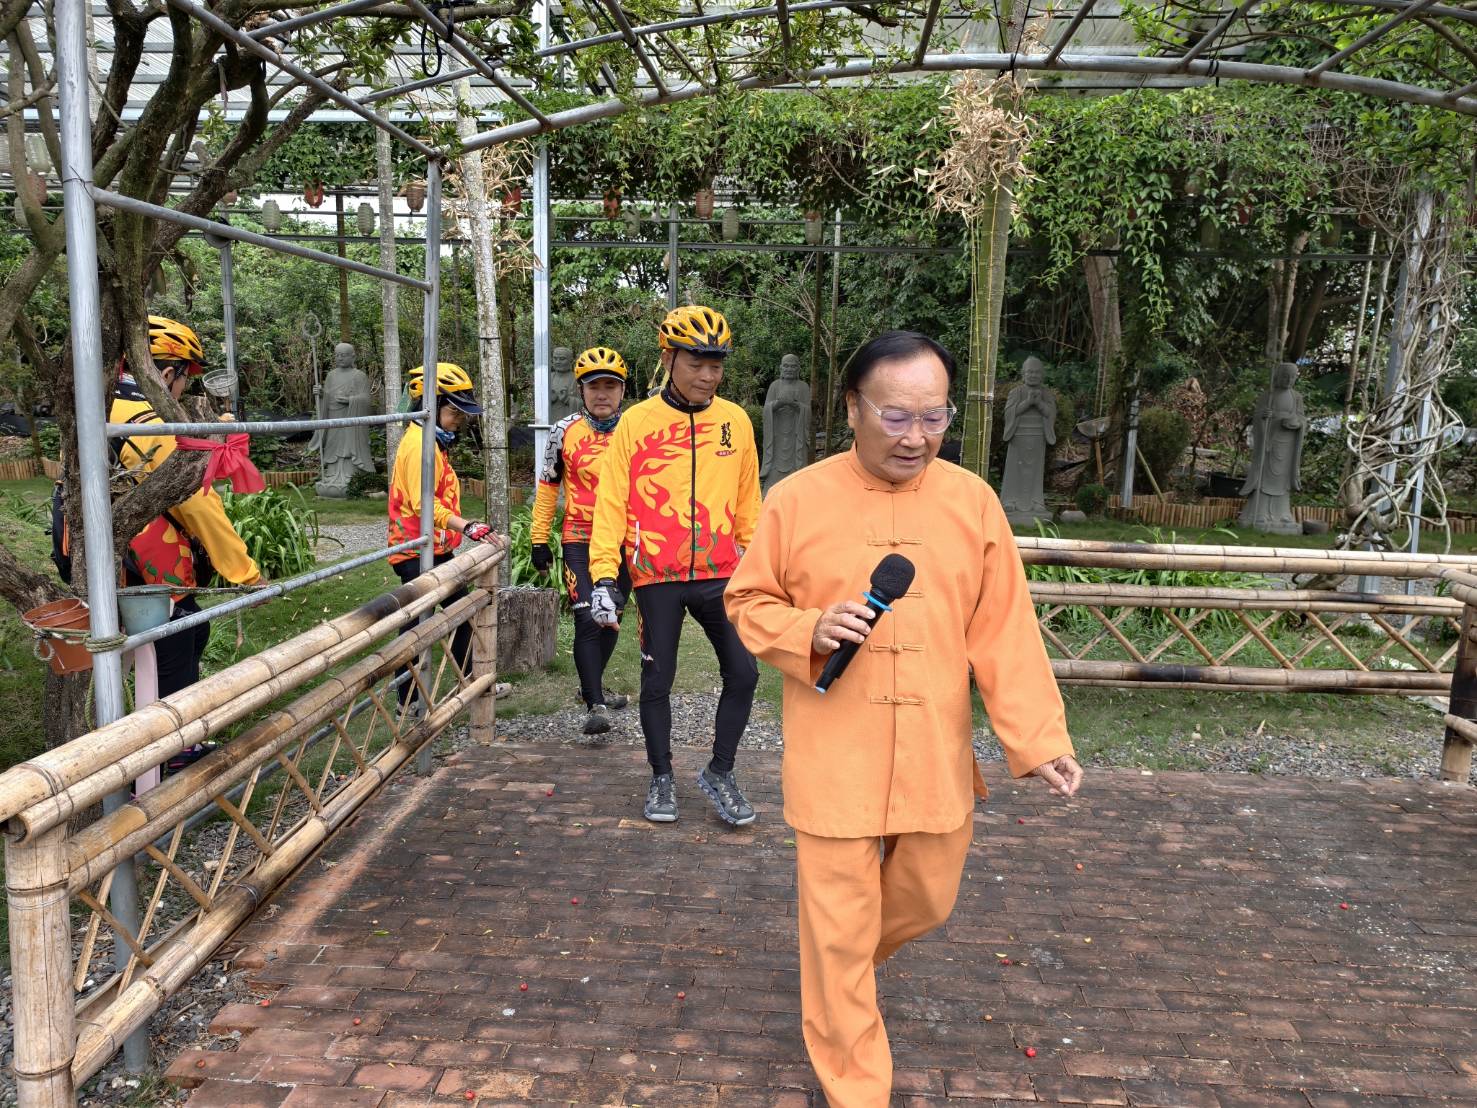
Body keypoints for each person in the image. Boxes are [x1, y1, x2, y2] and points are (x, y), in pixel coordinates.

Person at [724, 330, 1084, 1108]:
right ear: (851, 407)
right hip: (833, 755)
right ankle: (853, 1080)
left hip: (933, 751)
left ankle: (836, 977)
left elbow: (1004, 630)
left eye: (933, 418)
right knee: (838, 926)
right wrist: (806, 629)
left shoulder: (971, 501)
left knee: (925, 899)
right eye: (894, 417)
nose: (916, 438)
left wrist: (1037, 739)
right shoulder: (796, 499)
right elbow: (746, 602)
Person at [587, 305, 762, 826]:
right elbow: (611, 502)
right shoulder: (636, 423)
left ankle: (720, 771)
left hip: (720, 572)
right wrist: (602, 576)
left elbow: (748, 499)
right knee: (657, 681)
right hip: (656, 576)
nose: (708, 375)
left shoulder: (736, 421)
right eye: (696, 363)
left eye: (716, 364)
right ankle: (661, 775)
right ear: (669, 359)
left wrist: (756, 562)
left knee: (745, 672)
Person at [112, 316, 265, 698]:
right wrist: (246, 574)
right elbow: (197, 506)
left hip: (124, 561)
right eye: (184, 380)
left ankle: (172, 744)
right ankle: (169, 750)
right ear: (166, 374)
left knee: (194, 626)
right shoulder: (147, 425)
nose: (183, 389)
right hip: (144, 570)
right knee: (175, 647)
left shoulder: (109, 408)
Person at [387, 362, 504, 708]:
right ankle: (411, 699)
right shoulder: (419, 446)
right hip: (415, 551)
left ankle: (463, 682)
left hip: (432, 549)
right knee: (419, 624)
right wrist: (466, 526)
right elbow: (424, 506)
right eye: (454, 411)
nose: (458, 419)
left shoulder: (432, 442)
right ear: (431, 406)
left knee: (451, 615)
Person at [530, 346, 633, 737]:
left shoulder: (635, 429)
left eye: (611, 385)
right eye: (594, 386)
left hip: (622, 543)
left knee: (610, 621)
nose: (602, 393)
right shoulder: (563, 432)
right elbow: (546, 489)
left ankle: (592, 686)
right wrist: (540, 539)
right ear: (582, 390)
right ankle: (596, 704)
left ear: (622, 391)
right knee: (589, 617)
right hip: (579, 538)